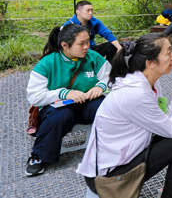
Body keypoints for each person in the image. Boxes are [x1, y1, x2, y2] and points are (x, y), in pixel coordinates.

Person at [77, 33, 172, 198]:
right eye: (168, 52)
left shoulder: (147, 81)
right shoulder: (135, 93)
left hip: (126, 154)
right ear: (150, 63)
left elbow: (164, 122)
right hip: (106, 178)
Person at [25, 24, 110, 177]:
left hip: (88, 103)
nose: (86, 47)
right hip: (59, 106)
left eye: (88, 42)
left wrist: (101, 85)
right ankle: (39, 156)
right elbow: (34, 96)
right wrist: (64, 93)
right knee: (59, 117)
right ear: (65, 45)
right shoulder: (47, 63)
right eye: (81, 44)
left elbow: (111, 77)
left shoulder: (93, 57)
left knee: (106, 108)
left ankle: (113, 147)